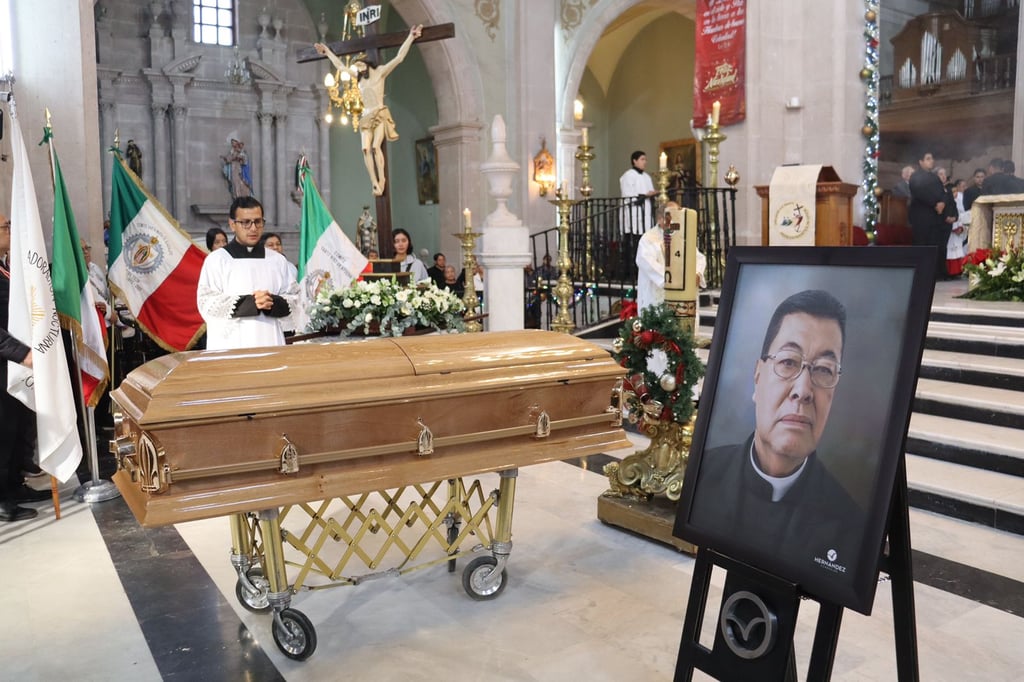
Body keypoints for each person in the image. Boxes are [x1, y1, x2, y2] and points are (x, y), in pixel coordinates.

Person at [691, 289, 864, 568]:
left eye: (823, 369)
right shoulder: (703, 474)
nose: (803, 391)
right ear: (758, 377)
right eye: (787, 362)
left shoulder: (851, 525)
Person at [315, 25, 423, 196]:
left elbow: (399, 57)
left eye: (359, 64)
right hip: (365, 115)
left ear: (367, 63)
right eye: (357, 66)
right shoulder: (358, 79)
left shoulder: (380, 72)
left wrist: (411, 36)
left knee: (375, 147)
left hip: (379, 113)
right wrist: (328, 52)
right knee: (365, 149)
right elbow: (341, 67)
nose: (358, 68)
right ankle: (374, 182)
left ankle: (382, 179)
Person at [196, 197, 299, 350]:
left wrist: (271, 302)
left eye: (258, 222)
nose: (253, 228)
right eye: (245, 222)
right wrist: (252, 303)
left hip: (270, 341)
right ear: (232, 225)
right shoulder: (217, 260)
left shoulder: (277, 260)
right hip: (230, 345)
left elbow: (296, 299)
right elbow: (206, 302)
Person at [0, 213, 48, 522]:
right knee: (2, 434)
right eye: (6, 227)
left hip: (16, 367)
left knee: (19, 428)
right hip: (6, 364)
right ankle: (2, 498)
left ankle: (15, 486)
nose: (10, 231)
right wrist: (22, 354)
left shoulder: (5, 267)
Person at [908, 150, 951, 281]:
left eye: (931, 158)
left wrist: (943, 202)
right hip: (921, 216)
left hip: (935, 217)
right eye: (927, 159)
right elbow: (919, 192)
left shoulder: (934, 177)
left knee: (935, 244)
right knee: (922, 245)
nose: (931, 161)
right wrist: (935, 204)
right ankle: (921, 273)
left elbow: (943, 191)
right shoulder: (915, 177)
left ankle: (936, 273)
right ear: (920, 162)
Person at [619, 150, 657, 246]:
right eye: (642, 159)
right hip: (634, 211)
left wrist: (653, 194)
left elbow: (650, 191)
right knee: (634, 239)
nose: (645, 162)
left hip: (646, 210)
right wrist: (644, 195)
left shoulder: (647, 177)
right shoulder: (628, 175)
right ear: (634, 161)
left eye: (646, 159)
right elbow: (627, 194)